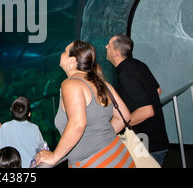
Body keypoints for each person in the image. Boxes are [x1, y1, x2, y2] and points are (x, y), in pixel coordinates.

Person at [36, 40, 135, 168]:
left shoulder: (70, 84)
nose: (61, 54)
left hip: (97, 163)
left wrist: (55, 156)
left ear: (72, 60)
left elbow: (78, 124)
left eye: (65, 52)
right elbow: (124, 117)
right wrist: (100, 138)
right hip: (120, 156)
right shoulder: (102, 83)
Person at [106, 34, 169, 165]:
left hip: (145, 145)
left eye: (109, 45)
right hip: (157, 138)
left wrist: (119, 124)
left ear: (116, 52)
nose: (106, 47)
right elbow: (157, 90)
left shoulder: (126, 73)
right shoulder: (138, 64)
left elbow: (147, 111)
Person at [0, 96, 45, 168]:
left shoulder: (5, 127)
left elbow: (1, 149)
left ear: (11, 111)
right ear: (29, 114)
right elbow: (41, 150)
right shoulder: (34, 128)